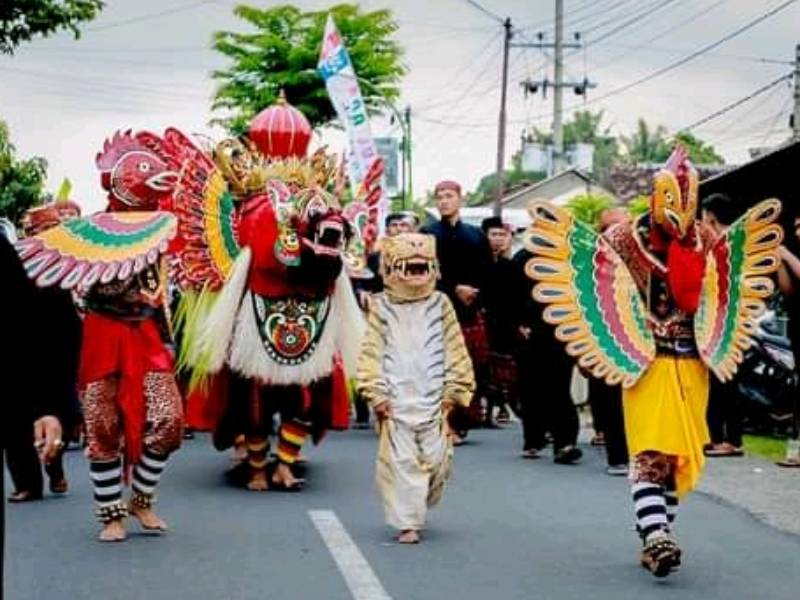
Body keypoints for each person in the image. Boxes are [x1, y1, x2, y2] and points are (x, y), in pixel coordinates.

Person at [356, 232, 475, 544]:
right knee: (403, 463)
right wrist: (375, 391)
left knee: (436, 464)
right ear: (391, 267)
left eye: (424, 263)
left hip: (435, 401)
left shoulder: (441, 304)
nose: (417, 265)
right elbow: (369, 351)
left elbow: (455, 348)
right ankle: (409, 522)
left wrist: (455, 391)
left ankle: (417, 501)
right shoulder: (380, 307)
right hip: (396, 402)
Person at [1, 225, 67, 594]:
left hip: (27, 370)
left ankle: (37, 478)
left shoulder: (42, 268)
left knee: (22, 428)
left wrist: (48, 404)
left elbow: (27, 325)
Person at [4, 204, 83, 502]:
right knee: (14, 421)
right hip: (19, 352)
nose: (38, 235)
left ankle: (55, 467)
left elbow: (72, 325)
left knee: (59, 415)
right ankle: (27, 483)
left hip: (57, 356)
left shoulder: (65, 265)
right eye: (34, 230)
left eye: (45, 229)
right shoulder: (16, 261)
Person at [420, 181, 494, 442]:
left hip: (471, 312)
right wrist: (454, 289)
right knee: (438, 370)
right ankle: (443, 423)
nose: (443, 201)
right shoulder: (426, 235)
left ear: (460, 200)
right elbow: (422, 274)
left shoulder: (476, 236)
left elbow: (488, 274)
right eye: (439, 197)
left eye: (449, 196)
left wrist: (474, 293)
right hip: (436, 312)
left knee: (471, 368)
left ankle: (463, 421)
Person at [699, 193, 745, 457]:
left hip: (723, 319)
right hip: (729, 318)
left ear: (711, 218)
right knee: (723, 379)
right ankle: (717, 436)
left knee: (723, 381)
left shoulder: (723, 243)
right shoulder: (737, 240)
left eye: (704, 218)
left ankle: (728, 439)